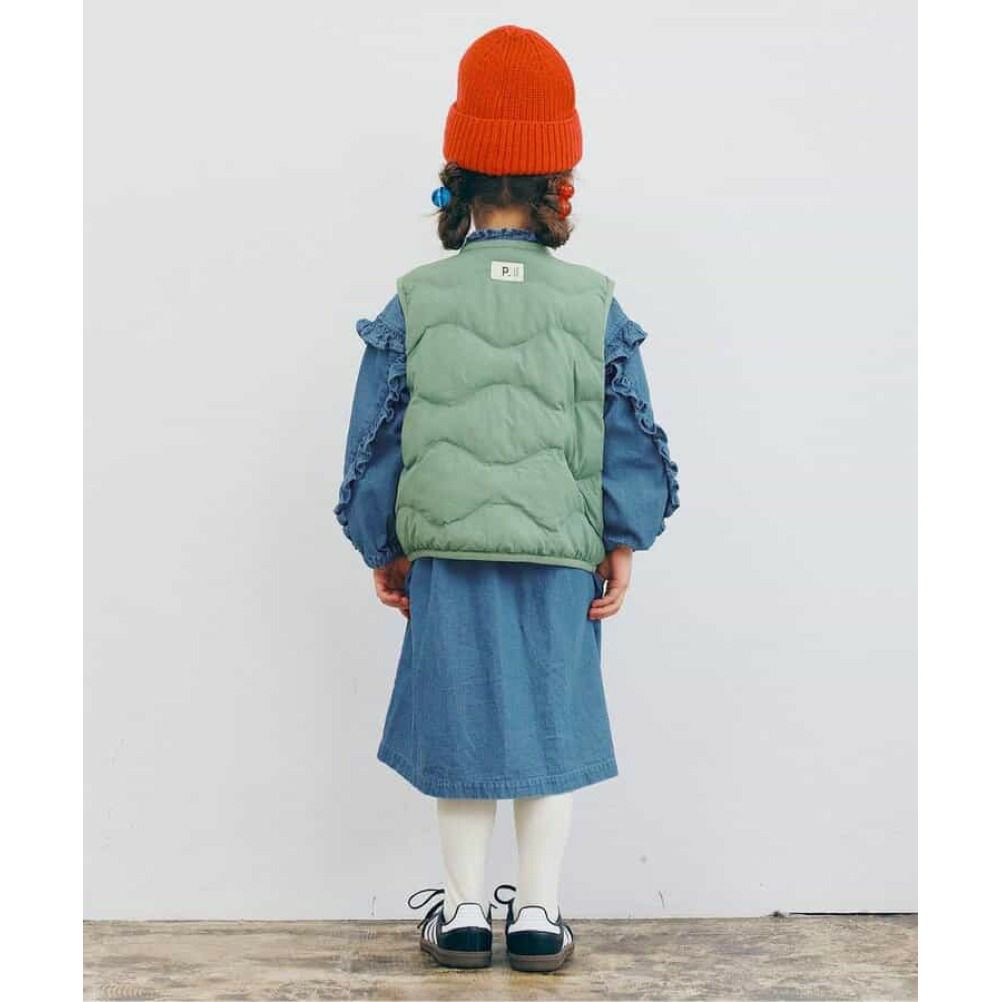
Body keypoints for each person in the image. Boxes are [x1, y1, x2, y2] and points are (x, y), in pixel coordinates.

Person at [335, 24, 679, 973]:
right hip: (558, 556)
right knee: (547, 727)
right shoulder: (593, 302)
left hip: (447, 554)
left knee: (460, 727)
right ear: (559, 181)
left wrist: (382, 546)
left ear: (457, 173)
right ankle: (536, 915)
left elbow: (376, 433)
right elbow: (628, 428)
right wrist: (622, 539)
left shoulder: (416, 298)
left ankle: (458, 915)